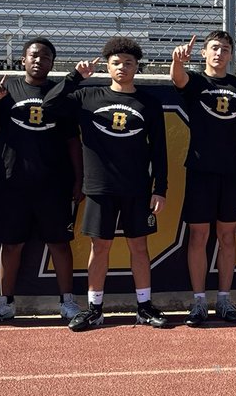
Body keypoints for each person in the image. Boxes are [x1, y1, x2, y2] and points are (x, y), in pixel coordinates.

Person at [42, 36, 170, 331]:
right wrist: (75, 77)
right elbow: (49, 105)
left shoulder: (148, 103)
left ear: (137, 67)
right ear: (107, 67)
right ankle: (95, 308)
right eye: (116, 62)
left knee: (139, 247)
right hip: (100, 188)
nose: (122, 67)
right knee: (100, 247)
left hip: (137, 188)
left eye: (128, 63)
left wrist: (159, 188)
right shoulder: (87, 97)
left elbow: (159, 149)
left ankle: (144, 307)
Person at [0, 37, 84, 324]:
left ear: (52, 63)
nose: (39, 61)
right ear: (23, 59)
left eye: (46, 57)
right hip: (14, 181)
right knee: (11, 244)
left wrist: (78, 179)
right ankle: (5, 302)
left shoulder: (62, 92)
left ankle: (68, 302)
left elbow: (73, 141)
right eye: (34, 56)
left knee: (59, 243)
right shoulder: (7, 89)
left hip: (54, 182)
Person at [171, 30, 236, 326]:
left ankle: (223, 299)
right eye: (215, 48)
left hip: (232, 172)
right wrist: (178, 61)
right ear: (204, 53)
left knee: (228, 236)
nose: (220, 53)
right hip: (200, 170)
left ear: (231, 55)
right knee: (199, 235)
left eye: (226, 48)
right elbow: (178, 79)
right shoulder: (195, 81)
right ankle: (198, 302)